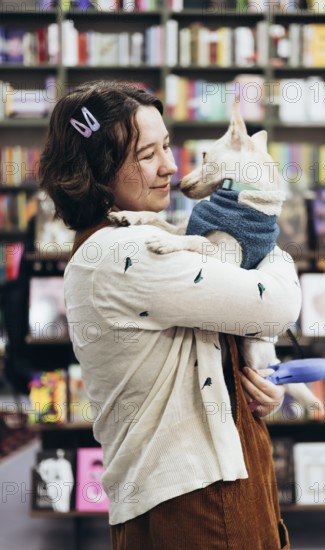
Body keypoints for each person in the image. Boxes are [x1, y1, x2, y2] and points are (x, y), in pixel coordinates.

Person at [39, 80, 301, 549]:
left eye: (167, 146)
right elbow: (278, 305)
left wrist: (256, 392)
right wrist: (268, 228)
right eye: (146, 154)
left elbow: (221, 337)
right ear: (96, 171)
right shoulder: (124, 252)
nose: (169, 166)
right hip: (196, 502)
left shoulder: (144, 238)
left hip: (219, 484)